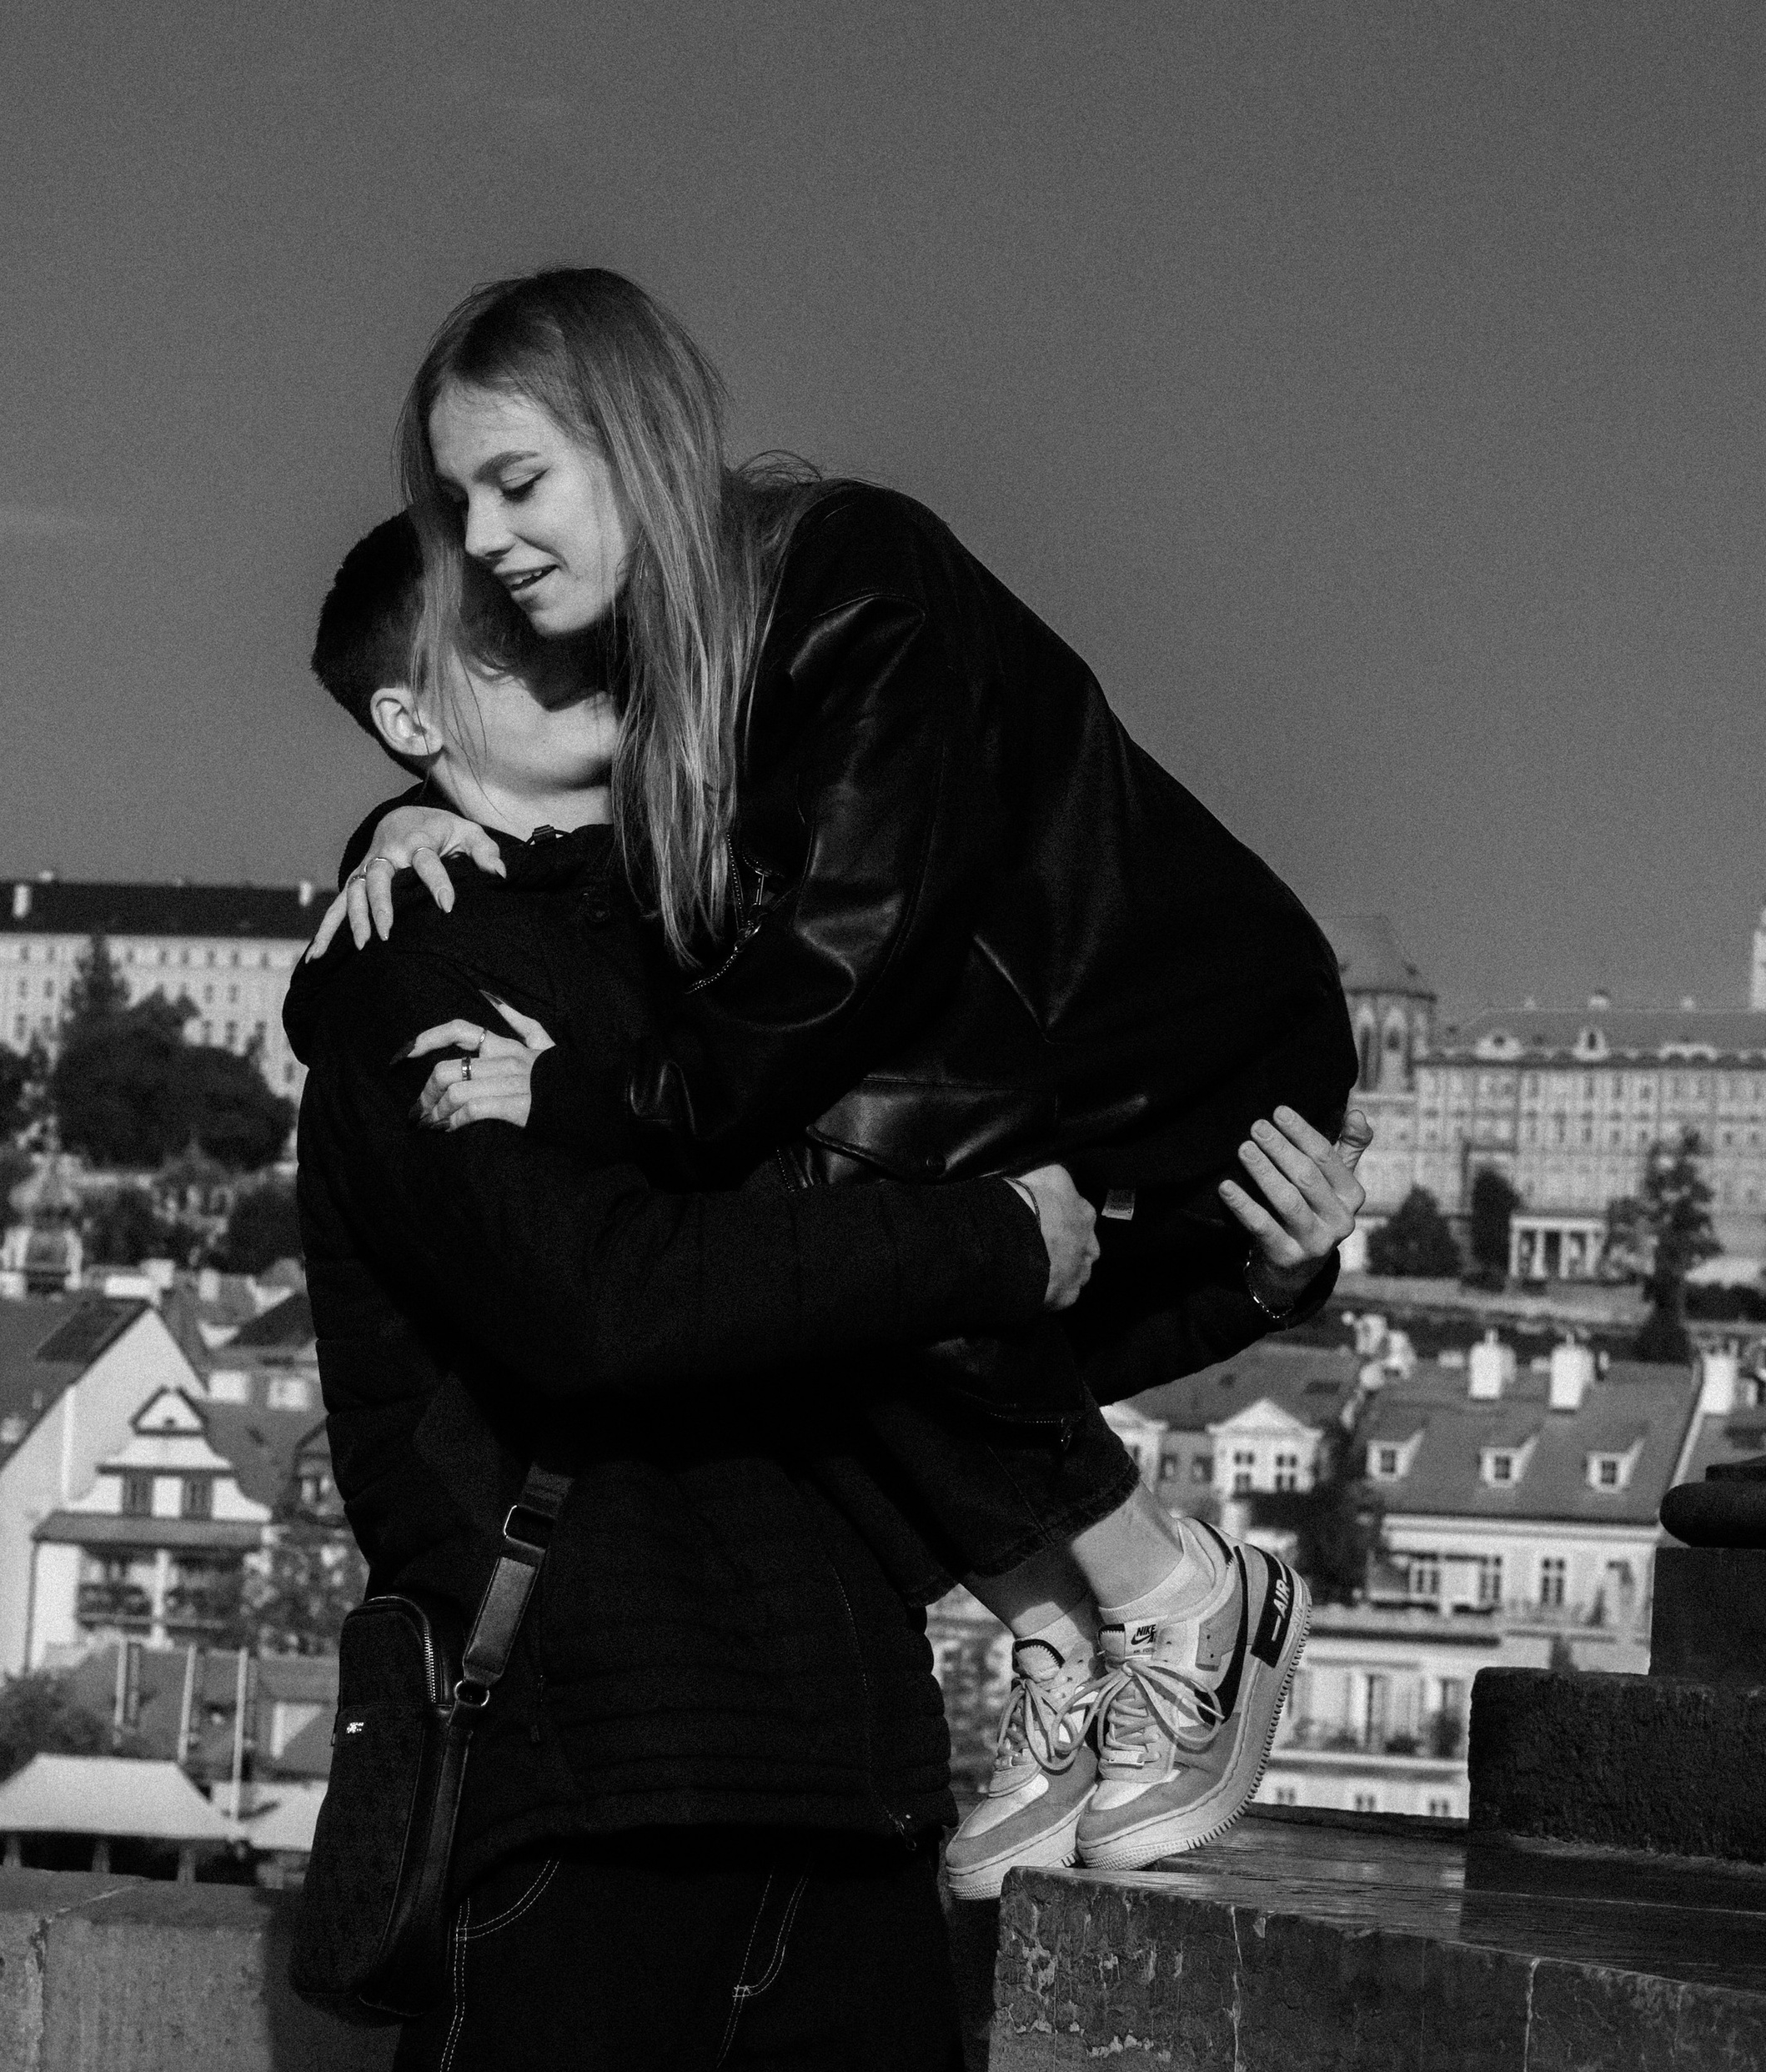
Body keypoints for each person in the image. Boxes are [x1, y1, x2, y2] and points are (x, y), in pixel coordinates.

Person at [280, 520, 1131, 2072]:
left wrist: (1213, 1245)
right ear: (413, 716)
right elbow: (597, 1307)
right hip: (584, 1801)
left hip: (840, 1801)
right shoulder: (405, 958)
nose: (558, 622)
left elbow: (921, 1282)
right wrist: (975, 1240)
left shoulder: (727, 946)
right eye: (491, 628)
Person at [324, 268, 1367, 1886]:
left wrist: (601, 1101)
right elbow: (627, 963)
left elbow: (835, 962)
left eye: (516, 481)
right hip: (990, 1113)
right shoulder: (664, 699)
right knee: (766, 1238)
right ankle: (1057, 1637)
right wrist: (409, 818)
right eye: (457, 505)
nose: (486, 539)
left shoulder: (848, 581)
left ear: (636, 436)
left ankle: (1175, 1591)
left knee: (767, 1171)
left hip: (1172, 1059)